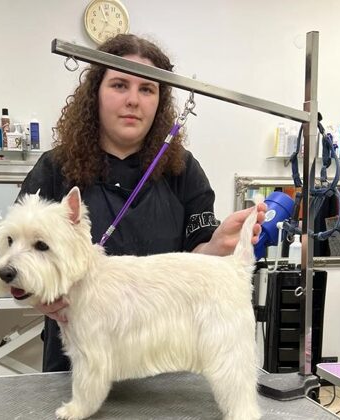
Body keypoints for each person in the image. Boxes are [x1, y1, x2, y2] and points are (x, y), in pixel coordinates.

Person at [18, 34, 266, 372]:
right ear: (96, 93)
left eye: (147, 89)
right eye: (120, 85)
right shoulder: (54, 170)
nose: (133, 100)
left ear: (159, 102)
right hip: (78, 362)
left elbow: (197, 264)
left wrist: (217, 244)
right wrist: (41, 296)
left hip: (164, 364)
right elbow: (18, 259)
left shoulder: (183, 171)